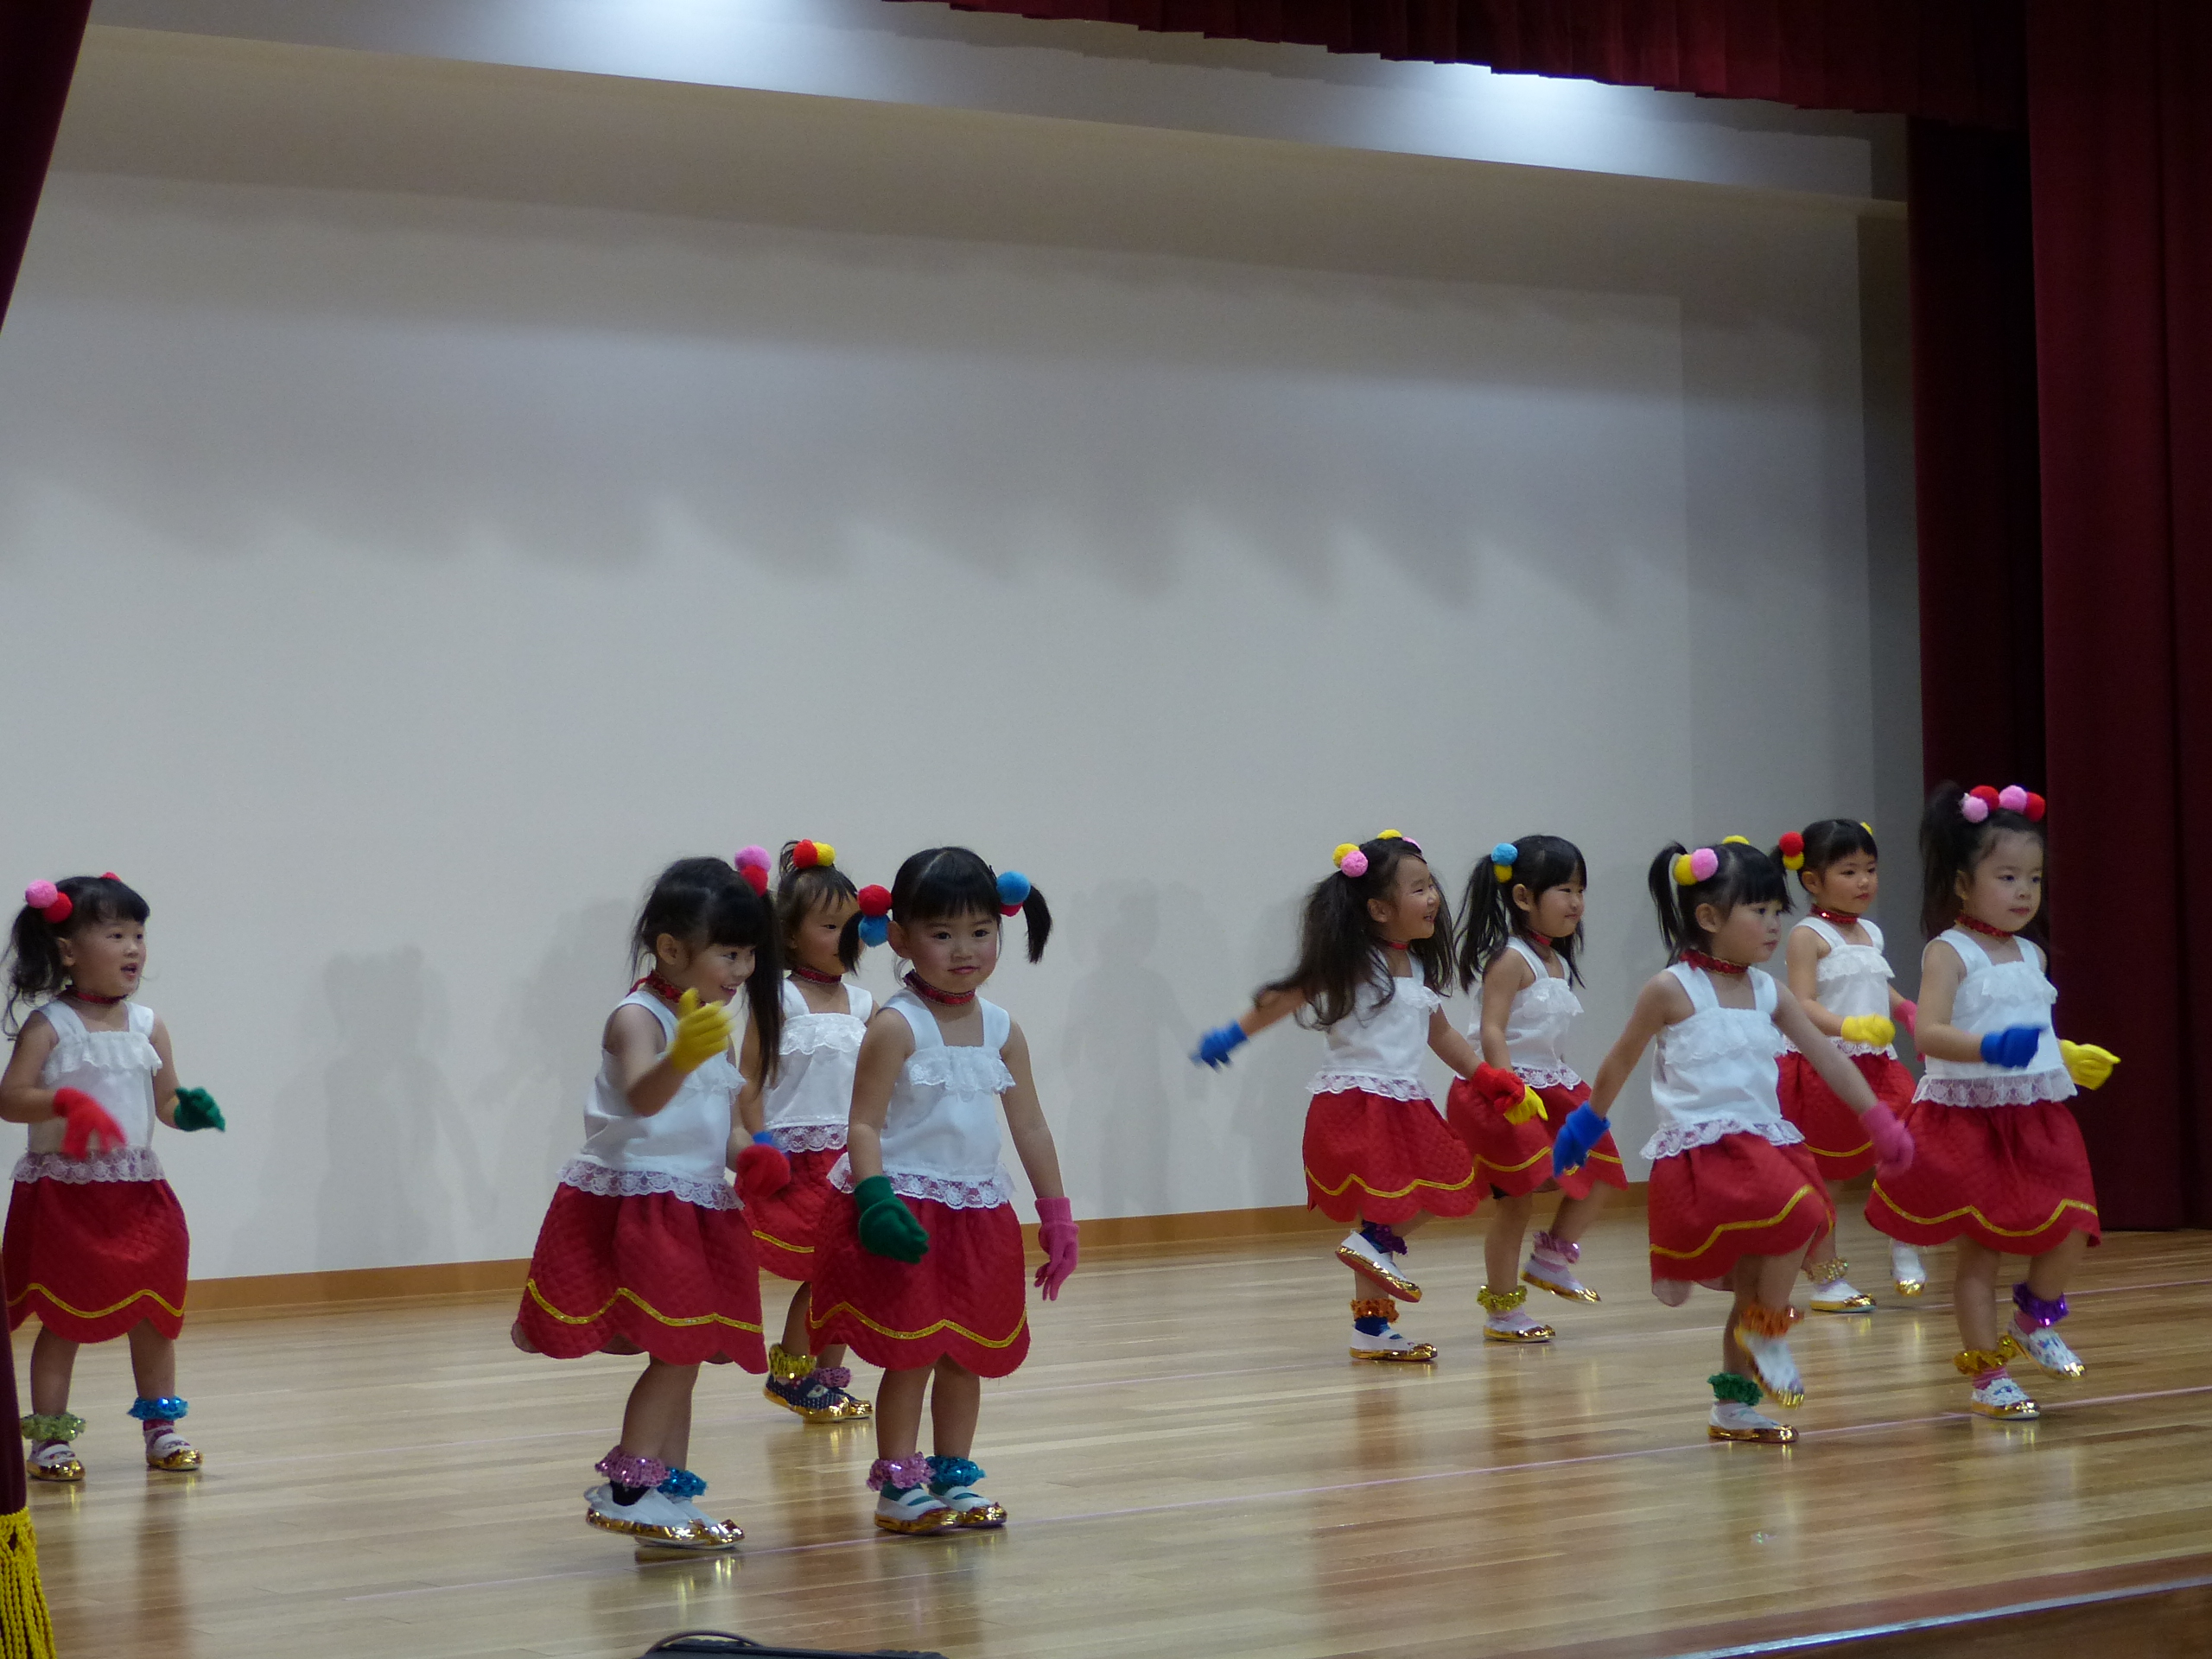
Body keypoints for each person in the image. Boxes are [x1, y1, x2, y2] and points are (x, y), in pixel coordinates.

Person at [1554, 838, 1913, 1445]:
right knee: (1802, 1213)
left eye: (1778, 911)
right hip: (1704, 1154)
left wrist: (1877, 1117)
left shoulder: (1769, 991)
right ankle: (1768, 1330)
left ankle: (1733, 1405)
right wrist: (1585, 1125)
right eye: (1759, 911)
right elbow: (1620, 1059)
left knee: (1756, 1279)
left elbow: (1828, 1058)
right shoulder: (1671, 988)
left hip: (1766, 1143)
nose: (1774, 925)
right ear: (1709, 917)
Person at [511, 855, 785, 1550]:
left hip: (696, 1204)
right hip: (642, 1204)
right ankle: (629, 1486)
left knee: (685, 1350)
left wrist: (750, 1156)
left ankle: (667, 1488)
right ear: (671, 948)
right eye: (729, 954)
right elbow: (642, 1096)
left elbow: (723, 1127)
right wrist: (683, 1055)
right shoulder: (637, 1018)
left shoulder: (709, 1025)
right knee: (675, 1349)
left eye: (750, 954)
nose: (743, 970)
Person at [807, 848, 1076, 1535]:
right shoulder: (896, 1024)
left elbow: (1031, 1125)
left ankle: (953, 1476)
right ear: (899, 937)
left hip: (977, 1212)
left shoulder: (1003, 1028)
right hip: (905, 1211)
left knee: (966, 1354)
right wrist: (874, 1199)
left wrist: (1057, 1214)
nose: (965, 950)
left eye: (981, 932)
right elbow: (862, 1124)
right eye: (943, 933)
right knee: (914, 1353)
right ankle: (899, 1487)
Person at [1866, 785, 2118, 1421]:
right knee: (1982, 1250)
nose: (2024, 891)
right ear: (1961, 883)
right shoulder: (1949, 951)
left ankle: (2033, 1320)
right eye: (2007, 877)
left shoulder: (2032, 951)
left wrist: (2064, 1055)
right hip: (1969, 1117)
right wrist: (1989, 1047)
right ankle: (1988, 1375)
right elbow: (1928, 1033)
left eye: (2033, 878)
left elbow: (2029, 1029)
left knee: (2074, 1221)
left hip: (2035, 1111)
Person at [1193, 831, 1482, 1362]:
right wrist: (1231, 1036)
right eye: (1418, 888)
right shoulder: (1355, 962)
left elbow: (1442, 1035)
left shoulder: (1418, 969)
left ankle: (1370, 1327)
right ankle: (1372, 1261)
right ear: (1378, 908)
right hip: (1357, 1101)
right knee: (1409, 1203)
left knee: (1406, 1204)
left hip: (1403, 1101)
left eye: (1431, 885)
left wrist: (1487, 1078)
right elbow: (1285, 998)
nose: (1434, 898)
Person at [2, 874, 225, 1483]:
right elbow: (11, 1098)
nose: (134, 948)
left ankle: (162, 1428)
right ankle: (49, 1438)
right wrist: (64, 1102)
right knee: (64, 1318)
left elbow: (165, 1101)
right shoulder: (51, 1025)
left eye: (139, 935)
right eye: (116, 935)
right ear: (68, 950)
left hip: (137, 1191)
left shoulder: (148, 1025)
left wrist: (186, 1110)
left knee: (154, 1310)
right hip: (68, 1196)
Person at [1446, 836, 1624, 1343]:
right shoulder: (1510, 959)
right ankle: (1503, 1312)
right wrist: (1507, 1088)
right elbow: (1492, 1030)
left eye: (1581, 891)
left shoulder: (1556, 961)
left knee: (1603, 1170)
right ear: (1523, 897)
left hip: (1553, 1086)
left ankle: (1551, 1258)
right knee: (1515, 1202)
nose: (1577, 902)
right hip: (1507, 1092)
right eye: (1565, 890)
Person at [739, 838, 880, 1422]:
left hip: (853, 1161)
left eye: (853, 925)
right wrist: (760, 1145)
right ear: (791, 937)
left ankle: (825, 1377)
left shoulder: (866, 1005)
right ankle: (790, 1374)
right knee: (826, 1272)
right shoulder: (779, 998)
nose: (845, 937)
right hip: (799, 1164)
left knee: (854, 1274)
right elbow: (748, 1080)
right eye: (829, 925)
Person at [1774, 819, 1926, 1305]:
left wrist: (1906, 1010)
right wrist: (1849, 1027)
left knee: (1910, 1147)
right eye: (1849, 871)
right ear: (1812, 880)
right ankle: (1826, 1277)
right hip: (1827, 1069)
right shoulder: (1808, 935)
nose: (1864, 881)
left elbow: (1874, 984)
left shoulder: (1869, 933)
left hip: (1879, 1065)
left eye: (1871, 869)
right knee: (1830, 1177)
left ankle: (1904, 1241)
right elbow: (1801, 1004)